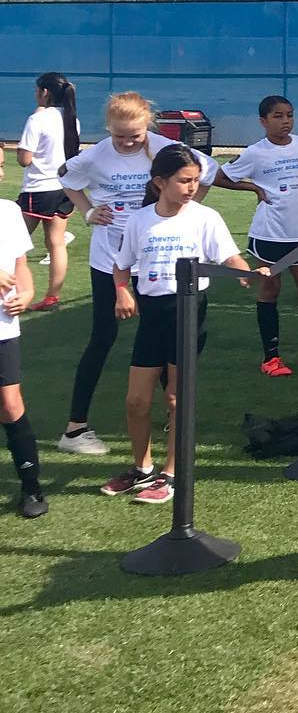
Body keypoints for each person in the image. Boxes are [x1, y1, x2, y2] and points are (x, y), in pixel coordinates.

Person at [55, 92, 219, 456]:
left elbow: (207, 171)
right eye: (120, 136)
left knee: (168, 337)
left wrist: (186, 210)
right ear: (108, 129)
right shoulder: (96, 155)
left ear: (148, 127)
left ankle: (174, 412)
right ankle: (75, 428)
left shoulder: (166, 150)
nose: (128, 142)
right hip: (110, 258)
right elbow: (66, 177)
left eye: (136, 136)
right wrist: (88, 211)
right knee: (103, 336)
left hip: (159, 260)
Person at [102, 145, 257, 504]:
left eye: (195, 181)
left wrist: (246, 273)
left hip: (188, 313)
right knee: (136, 400)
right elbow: (121, 266)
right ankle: (142, 468)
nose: (191, 187)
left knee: (176, 397)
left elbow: (229, 256)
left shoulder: (205, 217)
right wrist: (122, 292)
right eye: (184, 181)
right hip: (152, 316)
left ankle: (171, 474)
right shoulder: (140, 220)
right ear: (160, 182)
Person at [214, 96, 298, 376]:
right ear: (263, 121)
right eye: (278, 116)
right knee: (270, 290)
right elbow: (220, 177)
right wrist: (254, 188)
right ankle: (271, 358)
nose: (285, 121)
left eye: (289, 115)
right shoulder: (255, 152)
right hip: (268, 235)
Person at [14, 72, 81, 310]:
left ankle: (13, 291)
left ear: (45, 92)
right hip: (64, 188)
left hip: (38, 189)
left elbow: (24, 159)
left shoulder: (37, 119)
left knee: (10, 240)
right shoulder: (72, 119)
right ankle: (52, 297)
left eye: (37, 90)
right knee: (56, 243)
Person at [1, 197, 46, 517]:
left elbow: (20, 264)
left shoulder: (9, 211)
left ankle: (31, 487)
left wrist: (27, 292)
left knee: (10, 403)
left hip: (3, 326)